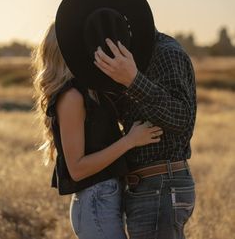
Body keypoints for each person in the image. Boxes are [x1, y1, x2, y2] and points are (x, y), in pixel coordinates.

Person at [31, 23, 163, 239]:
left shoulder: (89, 90)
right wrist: (129, 141)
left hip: (103, 200)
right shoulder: (71, 97)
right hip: (95, 203)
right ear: (66, 50)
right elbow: (77, 169)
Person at [94, 33, 197, 239]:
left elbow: (181, 118)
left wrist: (133, 80)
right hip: (148, 186)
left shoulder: (166, 53)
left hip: (160, 185)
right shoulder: (130, 58)